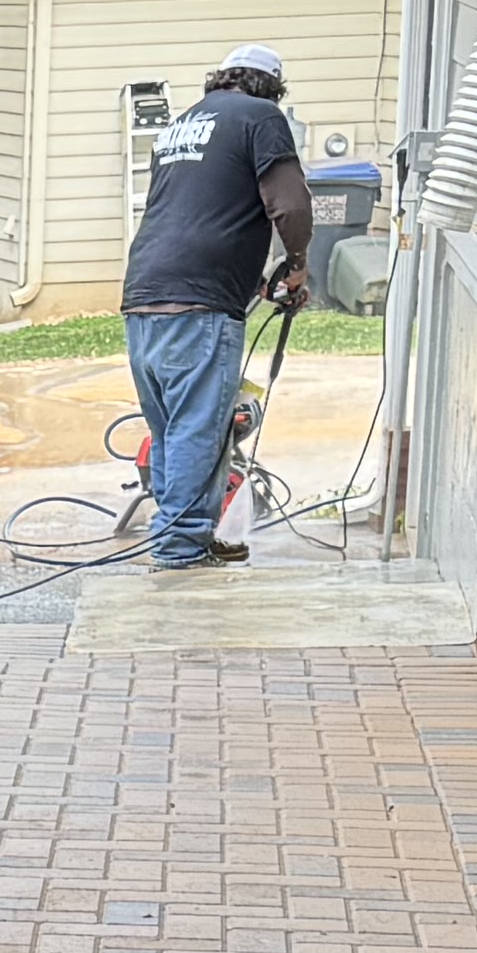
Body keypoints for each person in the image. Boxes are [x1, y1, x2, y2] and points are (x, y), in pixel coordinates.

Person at [120, 45, 315, 568]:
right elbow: (290, 203)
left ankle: (192, 536)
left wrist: (251, 280)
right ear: (269, 88)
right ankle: (179, 549)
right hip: (199, 303)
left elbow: (204, 211)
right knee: (198, 430)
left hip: (143, 295)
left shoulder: (182, 124)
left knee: (174, 430)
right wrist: (296, 261)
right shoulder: (261, 116)